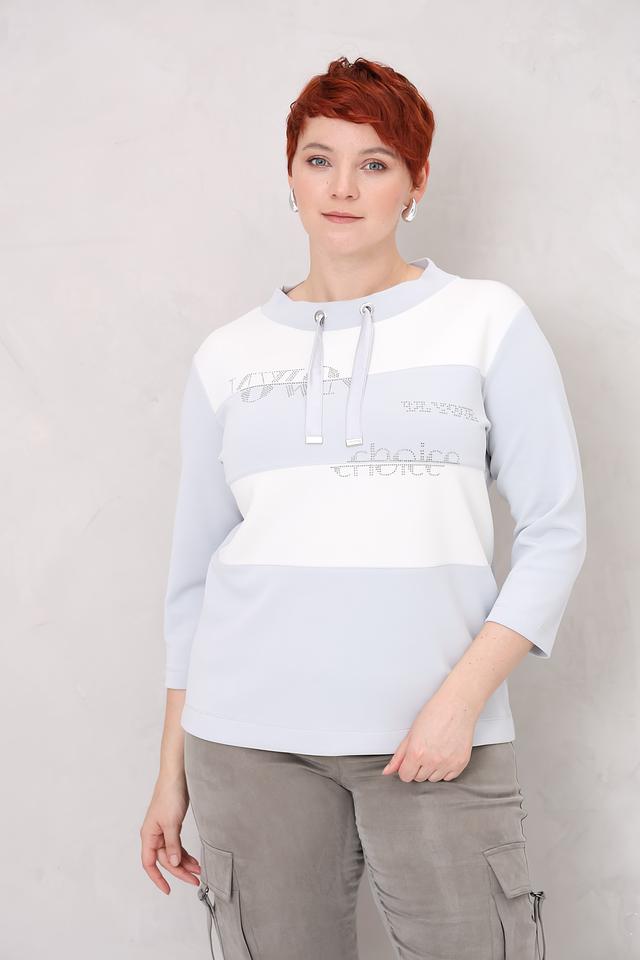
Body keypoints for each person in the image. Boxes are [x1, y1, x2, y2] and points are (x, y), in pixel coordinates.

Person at [140, 56, 586, 959]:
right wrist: (170, 772)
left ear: (416, 182)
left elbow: (556, 533)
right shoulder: (227, 356)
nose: (342, 187)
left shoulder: (486, 321)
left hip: (435, 735)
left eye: (375, 163)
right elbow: (193, 582)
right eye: (320, 159)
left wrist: (460, 704)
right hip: (247, 744)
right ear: (291, 175)